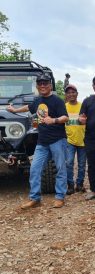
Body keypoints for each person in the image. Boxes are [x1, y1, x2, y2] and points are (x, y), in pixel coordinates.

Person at [6, 73, 69, 209]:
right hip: (42, 142)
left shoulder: (57, 100)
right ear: (37, 86)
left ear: (50, 85)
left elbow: (65, 117)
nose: (42, 85)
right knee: (34, 169)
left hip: (57, 140)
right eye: (40, 83)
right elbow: (28, 108)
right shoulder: (37, 101)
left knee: (60, 169)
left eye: (45, 83)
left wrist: (54, 120)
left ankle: (60, 197)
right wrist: (14, 109)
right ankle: (35, 198)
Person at [65, 84, 86, 195]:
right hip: (69, 140)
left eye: (73, 92)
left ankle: (80, 184)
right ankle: (70, 185)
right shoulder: (64, 107)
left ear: (77, 94)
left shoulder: (83, 106)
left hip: (82, 140)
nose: (71, 94)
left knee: (82, 164)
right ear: (66, 95)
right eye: (69, 92)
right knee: (69, 163)